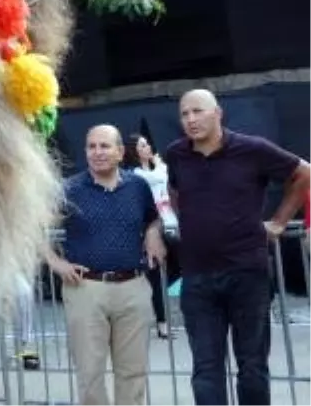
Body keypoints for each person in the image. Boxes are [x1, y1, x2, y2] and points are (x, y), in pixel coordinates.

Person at [166, 88, 311, 406]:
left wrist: (280, 221)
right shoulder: (176, 154)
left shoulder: (252, 149)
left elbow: (304, 173)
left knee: (252, 367)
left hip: (247, 274)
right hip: (197, 278)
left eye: (198, 111)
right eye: (184, 114)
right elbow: (174, 190)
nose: (190, 119)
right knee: (205, 370)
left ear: (218, 113)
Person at [45, 125, 165, 406]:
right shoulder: (69, 189)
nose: (97, 152)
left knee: (133, 373)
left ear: (121, 152)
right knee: (90, 374)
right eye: (91, 146)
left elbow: (153, 217)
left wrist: (153, 231)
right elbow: (32, 227)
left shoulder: (137, 186)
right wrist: (56, 263)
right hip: (86, 289)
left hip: (133, 287)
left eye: (104, 146)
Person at [132, 133, 180, 338]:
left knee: (174, 269)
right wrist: (159, 165)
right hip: (152, 227)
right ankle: (162, 324)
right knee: (155, 273)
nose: (148, 148)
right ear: (135, 151)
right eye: (142, 145)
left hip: (172, 222)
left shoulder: (159, 169)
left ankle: (154, 296)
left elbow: (168, 179)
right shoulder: (136, 175)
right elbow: (158, 178)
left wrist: (158, 164)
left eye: (148, 144)